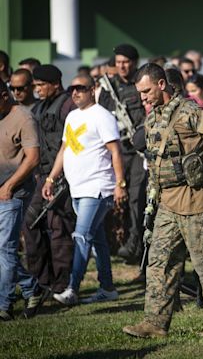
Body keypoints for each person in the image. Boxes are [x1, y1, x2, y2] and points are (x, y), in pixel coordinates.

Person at [123, 63, 203, 338]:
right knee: (159, 263)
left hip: (197, 203)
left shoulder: (193, 113)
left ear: (162, 85)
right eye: (140, 93)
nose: (143, 97)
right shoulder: (152, 119)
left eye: (147, 91)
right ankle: (155, 323)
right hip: (167, 204)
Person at [43, 75, 127, 305]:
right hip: (77, 189)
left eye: (81, 88)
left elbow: (116, 151)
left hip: (97, 187)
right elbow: (64, 150)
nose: (75, 92)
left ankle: (72, 288)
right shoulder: (72, 116)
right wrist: (51, 178)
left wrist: (120, 185)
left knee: (81, 236)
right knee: (97, 240)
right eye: (73, 88)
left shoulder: (102, 116)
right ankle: (108, 288)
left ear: (93, 90)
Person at [23, 64, 76, 295]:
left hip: (62, 178)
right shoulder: (38, 108)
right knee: (31, 224)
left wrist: (58, 177)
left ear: (56, 84)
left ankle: (61, 284)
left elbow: (73, 145)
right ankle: (41, 281)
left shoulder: (68, 107)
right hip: (42, 177)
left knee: (59, 229)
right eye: (35, 85)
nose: (37, 89)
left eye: (41, 85)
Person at [0, 79, 47, 321]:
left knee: (5, 248)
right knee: (2, 252)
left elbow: (33, 158)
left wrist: (9, 185)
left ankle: (4, 305)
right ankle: (32, 288)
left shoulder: (24, 118)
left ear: (4, 96)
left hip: (14, 192)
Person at [98, 44, 147, 264]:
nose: (122, 66)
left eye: (126, 62)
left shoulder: (142, 84)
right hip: (117, 149)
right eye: (118, 62)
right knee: (116, 198)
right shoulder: (109, 88)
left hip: (138, 151)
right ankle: (117, 241)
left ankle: (135, 243)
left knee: (137, 197)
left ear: (134, 63)